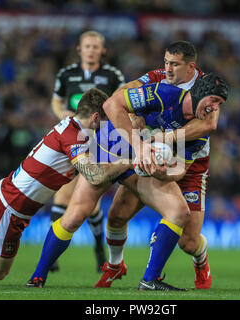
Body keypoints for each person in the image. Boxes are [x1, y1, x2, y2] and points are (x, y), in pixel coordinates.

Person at [25, 72, 228, 291]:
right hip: (112, 146)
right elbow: (113, 103)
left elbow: (179, 171)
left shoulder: (198, 133)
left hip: (139, 166)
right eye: (214, 100)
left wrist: (159, 171)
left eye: (220, 104)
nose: (215, 108)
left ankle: (149, 280)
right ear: (200, 93)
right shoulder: (164, 93)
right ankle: (38, 277)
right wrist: (139, 144)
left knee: (179, 211)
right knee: (75, 216)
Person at [0, 88, 131, 283]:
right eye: (105, 120)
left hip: (8, 200)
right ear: (95, 117)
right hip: (10, 205)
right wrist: (128, 162)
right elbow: (93, 176)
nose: (106, 125)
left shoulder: (73, 129)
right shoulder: (74, 136)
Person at [96, 41, 218, 289]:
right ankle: (116, 265)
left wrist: (167, 138)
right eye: (166, 62)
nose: (168, 69)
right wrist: (133, 115)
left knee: (189, 243)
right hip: (154, 154)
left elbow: (207, 125)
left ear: (191, 66)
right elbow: (119, 97)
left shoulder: (207, 86)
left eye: (174, 64)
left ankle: (201, 261)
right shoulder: (156, 79)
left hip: (191, 160)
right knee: (117, 214)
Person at [50, 30, 125, 272]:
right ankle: (53, 255)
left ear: (102, 51)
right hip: (72, 136)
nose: (91, 50)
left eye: (95, 47)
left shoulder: (113, 75)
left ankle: (97, 247)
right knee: (61, 196)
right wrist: (61, 113)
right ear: (79, 49)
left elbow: (122, 103)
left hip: (100, 139)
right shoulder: (66, 74)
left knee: (88, 198)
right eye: (87, 46)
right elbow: (56, 100)